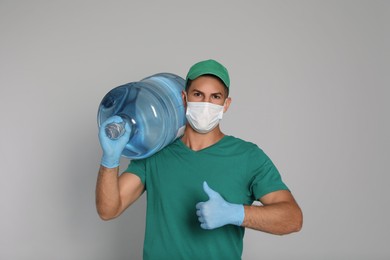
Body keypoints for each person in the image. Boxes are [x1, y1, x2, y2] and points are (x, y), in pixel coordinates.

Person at [96, 59, 303, 259]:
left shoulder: (248, 157)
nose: (206, 104)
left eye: (215, 97)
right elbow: (108, 210)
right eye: (198, 94)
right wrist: (110, 159)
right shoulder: (157, 153)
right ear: (184, 98)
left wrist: (236, 214)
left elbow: (293, 218)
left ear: (226, 104)